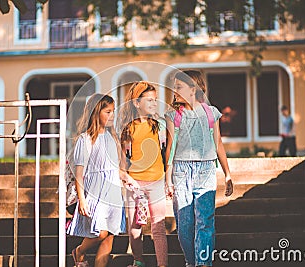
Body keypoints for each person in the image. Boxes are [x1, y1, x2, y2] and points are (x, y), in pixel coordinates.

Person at [165, 70, 233, 267]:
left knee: (205, 222)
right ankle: (191, 262)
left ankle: (203, 263)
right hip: (181, 172)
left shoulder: (212, 113)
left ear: (193, 89)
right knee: (185, 224)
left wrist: (227, 174)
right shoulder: (173, 115)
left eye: (179, 87)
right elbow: (171, 147)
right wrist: (168, 178)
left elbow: (218, 143)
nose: (174, 91)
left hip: (206, 171)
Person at [66, 94, 126, 267]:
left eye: (113, 111)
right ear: (96, 112)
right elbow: (80, 173)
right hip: (94, 192)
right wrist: (82, 200)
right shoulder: (85, 139)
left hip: (113, 194)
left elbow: (115, 168)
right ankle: (80, 251)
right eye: (108, 111)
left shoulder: (112, 137)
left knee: (109, 237)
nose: (112, 115)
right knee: (100, 233)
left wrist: (128, 180)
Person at [117, 81, 168, 267]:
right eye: (149, 100)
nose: (154, 103)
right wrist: (126, 178)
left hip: (156, 182)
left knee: (158, 226)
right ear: (137, 103)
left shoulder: (160, 126)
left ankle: (162, 264)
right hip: (135, 184)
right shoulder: (128, 128)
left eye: (155, 100)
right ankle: (138, 261)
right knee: (134, 228)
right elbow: (123, 161)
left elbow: (167, 152)